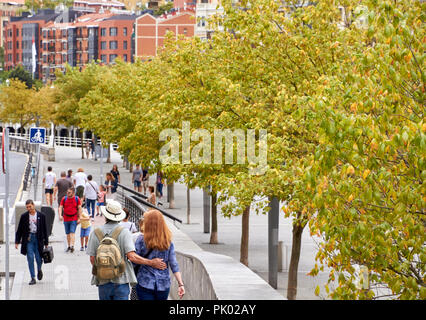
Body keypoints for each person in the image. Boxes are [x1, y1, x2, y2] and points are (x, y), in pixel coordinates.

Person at [86, 200, 167, 300]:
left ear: (105, 215)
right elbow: (132, 256)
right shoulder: (124, 232)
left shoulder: (96, 232)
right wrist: (151, 262)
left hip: (103, 281)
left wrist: (104, 269)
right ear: (119, 216)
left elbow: (92, 259)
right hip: (121, 280)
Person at [134, 209, 185, 300]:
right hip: (163, 285)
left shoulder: (141, 240)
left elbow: (134, 260)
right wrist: (180, 284)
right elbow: (174, 264)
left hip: (144, 283)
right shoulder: (168, 242)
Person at [15, 200, 49, 285]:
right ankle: (32, 277)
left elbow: (45, 230)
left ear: (33, 205)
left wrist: (46, 242)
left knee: (38, 258)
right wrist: (17, 241)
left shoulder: (41, 216)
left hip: (38, 240)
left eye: (30, 206)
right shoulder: (24, 216)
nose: (29, 209)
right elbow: (19, 230)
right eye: (27, 207)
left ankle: (39, 269)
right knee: (30, 257)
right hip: (28, 240)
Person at [59, 187, 82, 253]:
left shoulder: (76, 199)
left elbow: (79, 208)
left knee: (72, 232)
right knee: (68, 233)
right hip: (66, 218)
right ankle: (69, 246)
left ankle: (72, 246)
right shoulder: (64, 198)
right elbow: (60, 207)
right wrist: (60, 215)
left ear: (73, 193)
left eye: (69, 192)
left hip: (73, 218)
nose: (67, 193)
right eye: (67, 192)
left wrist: (79, 218)